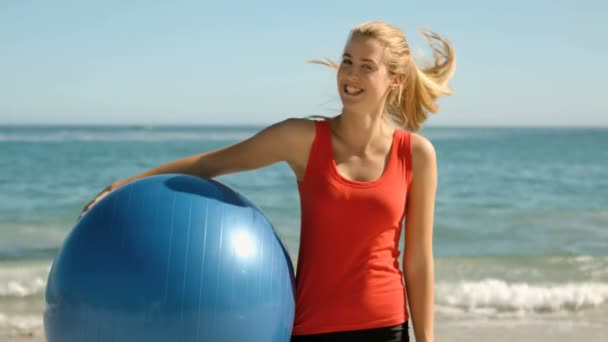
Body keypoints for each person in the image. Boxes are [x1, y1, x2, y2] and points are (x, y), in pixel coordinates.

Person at [81, 21, 455, 342]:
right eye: (347, 62)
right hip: (313, 325)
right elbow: (211, 163)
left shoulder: (417, 155)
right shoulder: (302, 139)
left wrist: (427, 339)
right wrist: (123, 187)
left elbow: (418, 261)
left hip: (385, 325)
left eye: (366, 66)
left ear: (394, 80)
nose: (351, 76)